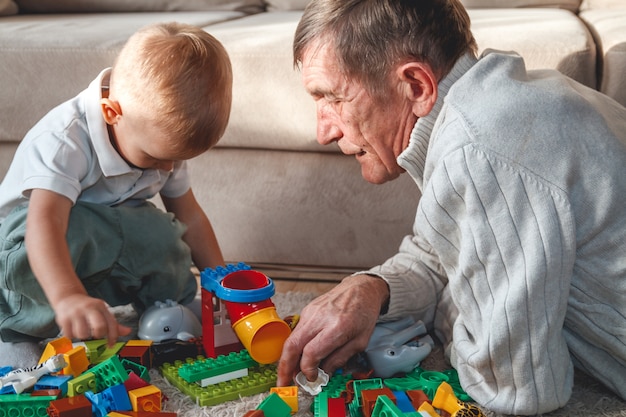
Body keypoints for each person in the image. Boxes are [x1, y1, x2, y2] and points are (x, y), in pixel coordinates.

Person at [276, 0, 626, 414]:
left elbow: (517, 388)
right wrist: (371, 290)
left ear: (417, 86)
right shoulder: (492, 104)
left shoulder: (479, 153)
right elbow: (443, 247)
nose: (323, 131)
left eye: (332, 98)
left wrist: (448, 316)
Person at [0, 22, 232, 367]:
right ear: (112, 113)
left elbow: (191, 216)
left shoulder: (160, 148)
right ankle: (16, 332)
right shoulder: (65, 140)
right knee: (73, 227)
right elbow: (44, 224)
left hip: (104, 245)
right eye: (155, 157)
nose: (166, 168)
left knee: (162, 229)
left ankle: (166, 307)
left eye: (175, 159)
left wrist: (221, 283)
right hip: (30, 250)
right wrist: (66, 296)